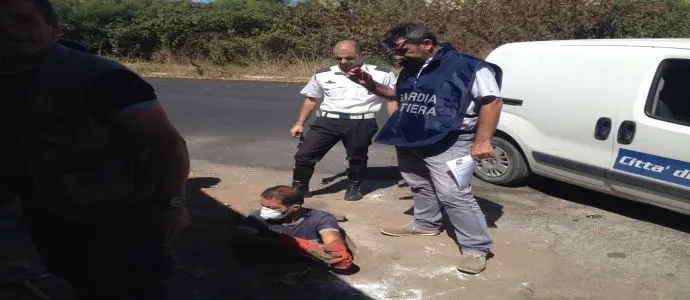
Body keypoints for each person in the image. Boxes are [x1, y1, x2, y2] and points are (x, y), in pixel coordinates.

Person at [0, 0, 190, 299]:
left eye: (25, 21)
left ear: (54, 29)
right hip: (47, 213)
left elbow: (167, 143)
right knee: (77, 277)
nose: (9, 29)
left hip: (115, 219)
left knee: (128, 287)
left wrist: (170, 204)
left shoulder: (98, 76)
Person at [346, 23, 504, 274]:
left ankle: (476, 248)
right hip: (412, 136)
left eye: (403, 50)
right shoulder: (411, 68)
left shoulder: (470, 67)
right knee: (419, 182)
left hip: (451, 139)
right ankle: (426, 224)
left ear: (427, 44)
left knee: (454, 194)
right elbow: (396, 94)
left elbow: (492, 101)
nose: (397, 57)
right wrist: (369, 84)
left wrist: (482, 140)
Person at [290, 40, 398, 201]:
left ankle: (354, 186)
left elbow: (391, 99)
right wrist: (299, 123)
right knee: (304, 155)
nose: (343, 62)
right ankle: (299, 188)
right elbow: (311, 99)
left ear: (362, 56)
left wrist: (395, 124)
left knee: (357, 158)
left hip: (361, 122)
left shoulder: (382, 74)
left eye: (349, 58)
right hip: (327, 121)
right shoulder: (323, 74)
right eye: (338, 59)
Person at [235, 185, 353, 270]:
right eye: (263, 206)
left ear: (295, 208)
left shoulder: (320, 217)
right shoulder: (258, 216)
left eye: (274, 209)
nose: (265, 211)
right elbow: (241, 238)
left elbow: (332, 238)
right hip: (270, 266)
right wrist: (296, 243)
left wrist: (338, 250)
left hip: (304, 268)